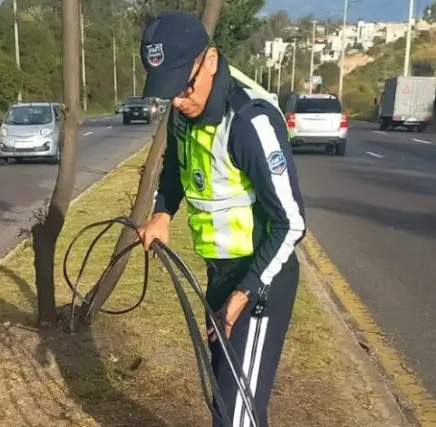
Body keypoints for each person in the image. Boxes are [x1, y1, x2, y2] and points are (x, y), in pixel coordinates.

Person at [135, 11, 306, 427]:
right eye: (168, 91)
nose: (177, 100)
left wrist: (244, 293)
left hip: (260, 280)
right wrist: (162, 212)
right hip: (220, 273)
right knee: (226, 404)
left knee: (237, 416)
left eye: (184, 87)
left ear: (209, 59)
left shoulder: (250, 120)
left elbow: (292, 223)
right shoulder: (183, 111)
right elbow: (176, 166)